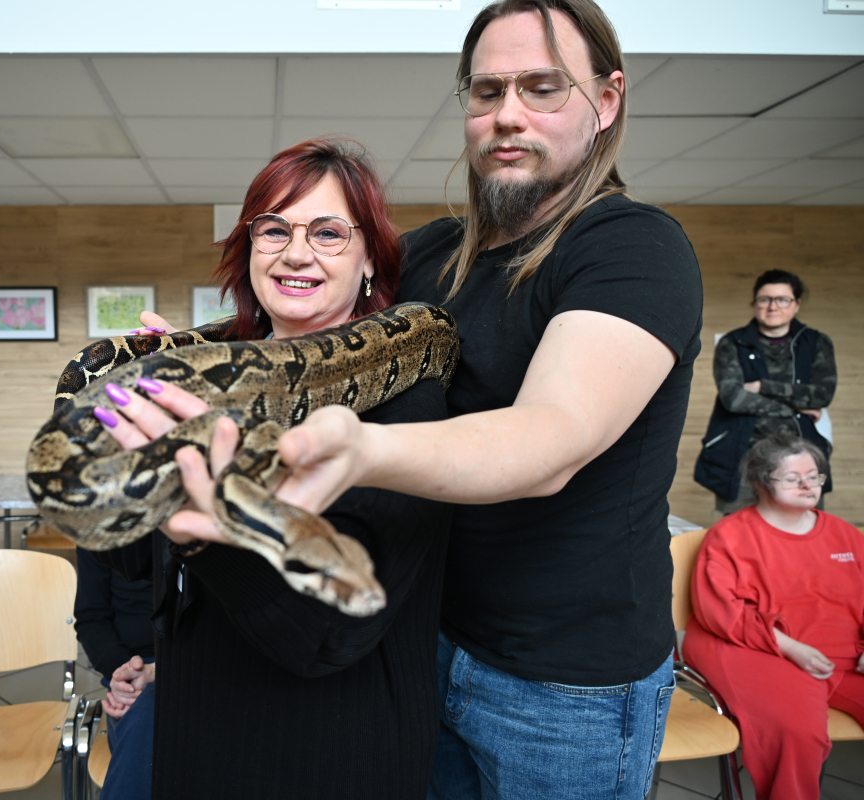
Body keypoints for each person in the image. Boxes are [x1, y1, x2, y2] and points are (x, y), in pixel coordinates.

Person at [135, 2, 701, 797]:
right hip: (424, 645)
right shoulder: (433, 255)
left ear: (606, 102)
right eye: (487, 91)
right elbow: (317, 316)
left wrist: (362, 449)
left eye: (542, 88)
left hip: (562, 687)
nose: (508, 115)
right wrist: (199, 361)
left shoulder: (633, 249)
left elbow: (553, 436)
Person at [91, 137, 452, 799]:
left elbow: (328, 633)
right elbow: (131, 562)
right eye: (274, 229)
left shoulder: (409, 407)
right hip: (197, 736)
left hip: (327, 755)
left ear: (370, 258)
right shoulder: (207, 383)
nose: (295, 252)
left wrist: (205, 520)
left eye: (328, 232)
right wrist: (128, 444)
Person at [684, 434, 864, 800]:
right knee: (798, 731)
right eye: (793, 478)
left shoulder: (845, 535)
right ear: (760, 481)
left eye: (814, 476)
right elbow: (721, 612)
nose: (808, 486)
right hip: (761, 649)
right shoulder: (730, 536)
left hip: (842, 654)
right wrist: (793, 648)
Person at [694, 269, 836, 516]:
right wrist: (793, 406)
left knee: (802, 528)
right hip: (741, 456)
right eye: (765, 299)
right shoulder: (733, 343)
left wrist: (762, 387)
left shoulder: (816, 343)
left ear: (797, 304)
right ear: (754, 303)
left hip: (801, 454)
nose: (773, 306)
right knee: (739, 530)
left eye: (782, 299)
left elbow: (822, 395)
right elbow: (733, 399)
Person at [74, 548, 154, 799]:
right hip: (133, 668)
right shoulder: (100, 530)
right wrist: (125, 676)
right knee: (147, 736)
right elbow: (91, 617)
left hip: (201, 663)